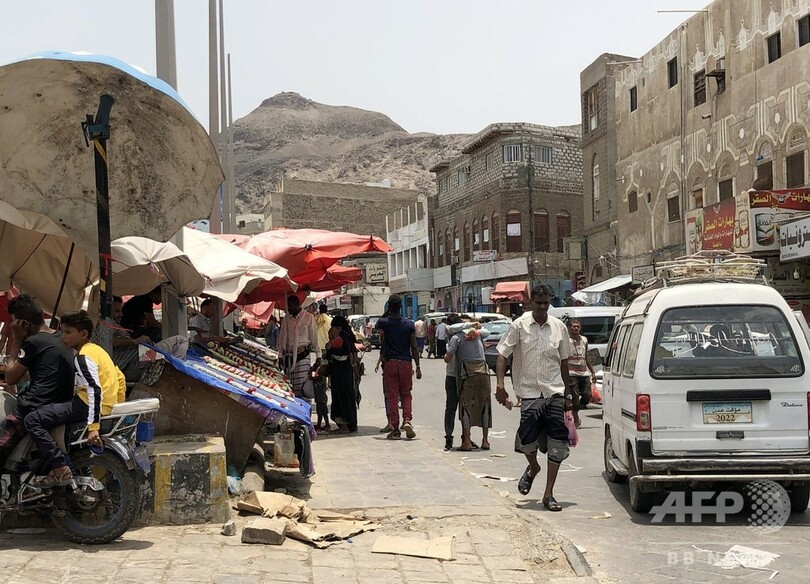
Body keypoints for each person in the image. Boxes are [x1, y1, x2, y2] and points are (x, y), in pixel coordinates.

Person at [24, 310, 126, 487]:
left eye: (68, 332)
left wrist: (93, 427)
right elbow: (120, 378)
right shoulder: (98, 350)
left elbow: (94, 389)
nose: (63, 337)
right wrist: (116, 406)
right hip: (103, 406)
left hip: (86, 405)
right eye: (62, 331)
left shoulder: (82, 357)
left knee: (32, 420)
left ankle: (60, 467)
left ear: (84, 334)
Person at [495, 285, 572, 512]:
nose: (541, 307)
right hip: (528, 395)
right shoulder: (519, 326)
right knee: (527, 442)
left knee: (557, 444)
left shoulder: (559, 328)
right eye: (538, 303)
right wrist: (500, 385)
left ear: (549, 302)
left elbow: (564, 362)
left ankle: (548, 494)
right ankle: (533, 468)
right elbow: (502, 355)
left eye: (545, 303)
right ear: (531, 303)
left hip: (554, 393)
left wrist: (568, 396)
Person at [0, 295, 74, 466]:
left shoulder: (33, 343)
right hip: (60, 404)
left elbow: (10, 378)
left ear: (23, 324)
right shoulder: (59, 337)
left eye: (14, 323)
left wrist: (17, 340)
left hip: (34, 406)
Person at [376, 295, 421, 440]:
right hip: (406, 363)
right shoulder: (409, 324)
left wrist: (387, 313)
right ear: (401, 307)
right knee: (406, 394)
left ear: (389, 307)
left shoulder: (384, 322)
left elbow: (377, 324)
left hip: (390, 364)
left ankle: (395, 429)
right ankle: (407, 420)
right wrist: (418, 366)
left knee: (392, 397)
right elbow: (414, 346)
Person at [446, 320, 492, 452]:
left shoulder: (456, 337)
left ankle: (466, 441)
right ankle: (485, 440)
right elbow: (486, 333)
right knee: (484, 405)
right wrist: (475, 328)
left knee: (465, 406)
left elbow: (448, 358)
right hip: (483, 371)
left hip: (467, 373)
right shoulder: (478, 335)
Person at [277, 295, 319, 400]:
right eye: (288, 306)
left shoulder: (309, 317)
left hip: (303, 355)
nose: (289, 309)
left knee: (302, 387)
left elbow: (314, 338)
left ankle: (305, 411)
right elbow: (282, 338)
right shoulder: (286, 319)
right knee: (290, 386)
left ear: (297, 305)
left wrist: (318, 356)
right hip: (288, 356)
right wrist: (280, 356)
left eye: (291, 306)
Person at [324, 316, 359, 433]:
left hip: (342, 373)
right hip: (342, 372)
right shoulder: (344, 335)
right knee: (344, 397)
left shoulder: (343, 336)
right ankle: (346, 425)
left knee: (342, 397)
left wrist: (330, 349)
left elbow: (345, 351)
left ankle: (344, 425)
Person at [567, 319, 596, 429]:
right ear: (570, 328)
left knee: (587, 395)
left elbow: (586, 357)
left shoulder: (584, 340)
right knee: (574, 396)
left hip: (584, 373)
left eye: (577, 326)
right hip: (571, 373)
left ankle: (576, 408)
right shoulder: (566, 341)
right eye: (573, 326)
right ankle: (575, 416)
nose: (576, 328)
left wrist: (592, 372)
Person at [311, 357, 330, 432]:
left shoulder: (321, 377)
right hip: (319, 397)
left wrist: (313, 369)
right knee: (319, 412)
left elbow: (313, 378)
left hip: (322, 397)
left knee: (324, 412)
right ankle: (319, 424)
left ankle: (327, 424)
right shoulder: (320, 375)